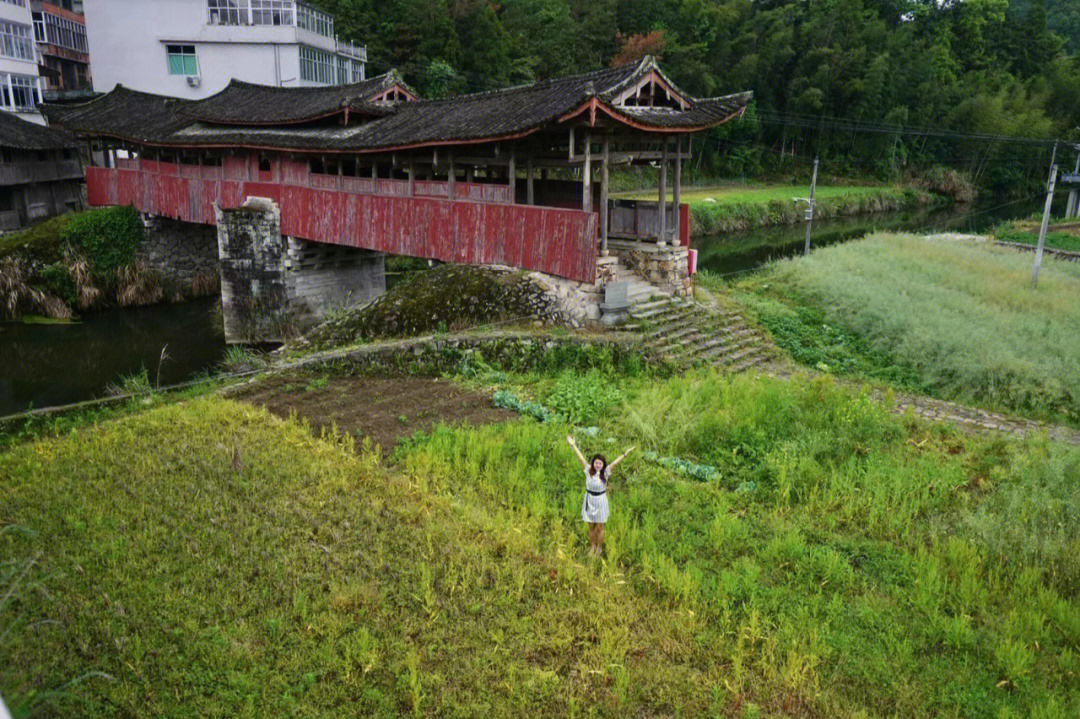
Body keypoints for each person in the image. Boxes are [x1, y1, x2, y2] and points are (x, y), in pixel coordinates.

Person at [567, 435, 634, 557]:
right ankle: (592, 546)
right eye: (596, 462)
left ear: (603, 465)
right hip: (589, 500)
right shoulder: (588, 470)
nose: (598, 465)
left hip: (600, 500)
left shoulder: (606, 472)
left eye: (600, 463)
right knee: (591, 526)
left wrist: (625, 454)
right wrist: (573, 445)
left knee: (600, 526)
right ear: (593, 463)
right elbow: (581, 458)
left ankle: (599, 548)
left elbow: (615, 463)